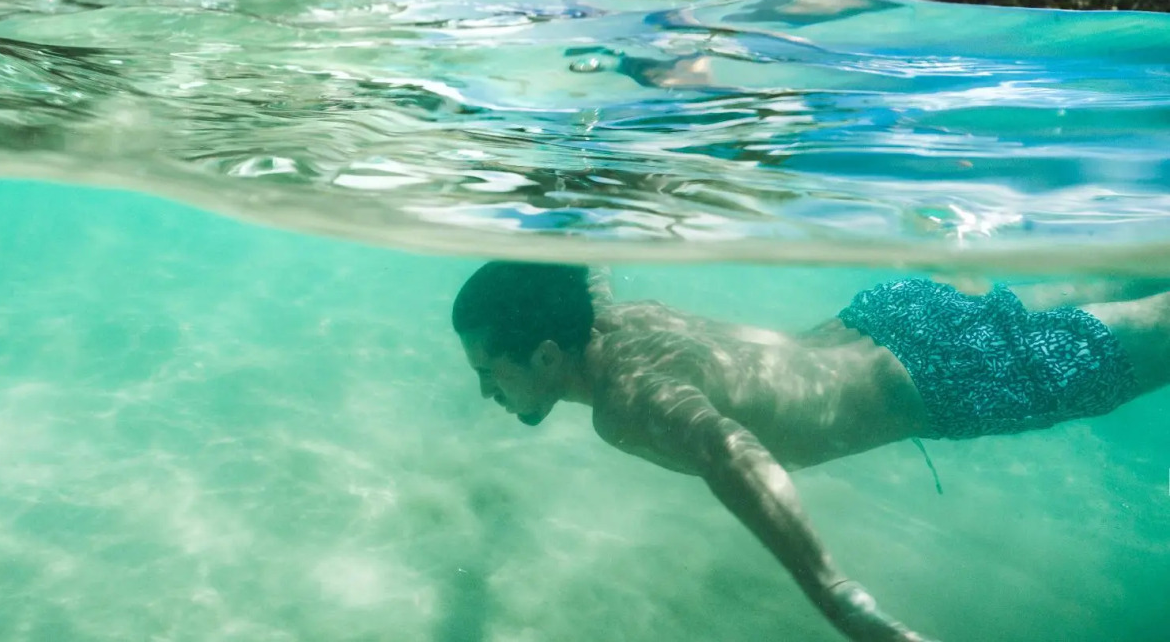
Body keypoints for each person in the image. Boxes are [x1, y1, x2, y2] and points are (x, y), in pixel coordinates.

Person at [452, 263, 1169, 642]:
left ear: (546, 356)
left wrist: (836, 598)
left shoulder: (626, 403)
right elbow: (583, 265)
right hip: (890, 314)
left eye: (490, 371)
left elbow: (728, 449)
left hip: (939, 379)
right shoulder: (605, 317)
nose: (485, 390)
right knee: (1143, 274)